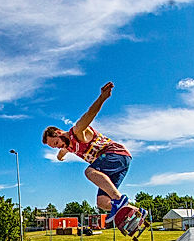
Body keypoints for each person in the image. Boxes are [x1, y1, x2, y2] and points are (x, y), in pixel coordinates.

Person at [41, 81, 134, 226]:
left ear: (59, 133)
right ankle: (135, 212)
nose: (59, 146)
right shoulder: (67, 146)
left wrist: (102, 97)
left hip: (116, 154)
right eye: (55, 147)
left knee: (90, 172)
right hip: (112, 165)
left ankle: (119, 200)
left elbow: (90, 114)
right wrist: (60, 156)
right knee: (102, 202)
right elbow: (62, 151)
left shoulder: (78, 131)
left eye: (56, 143)